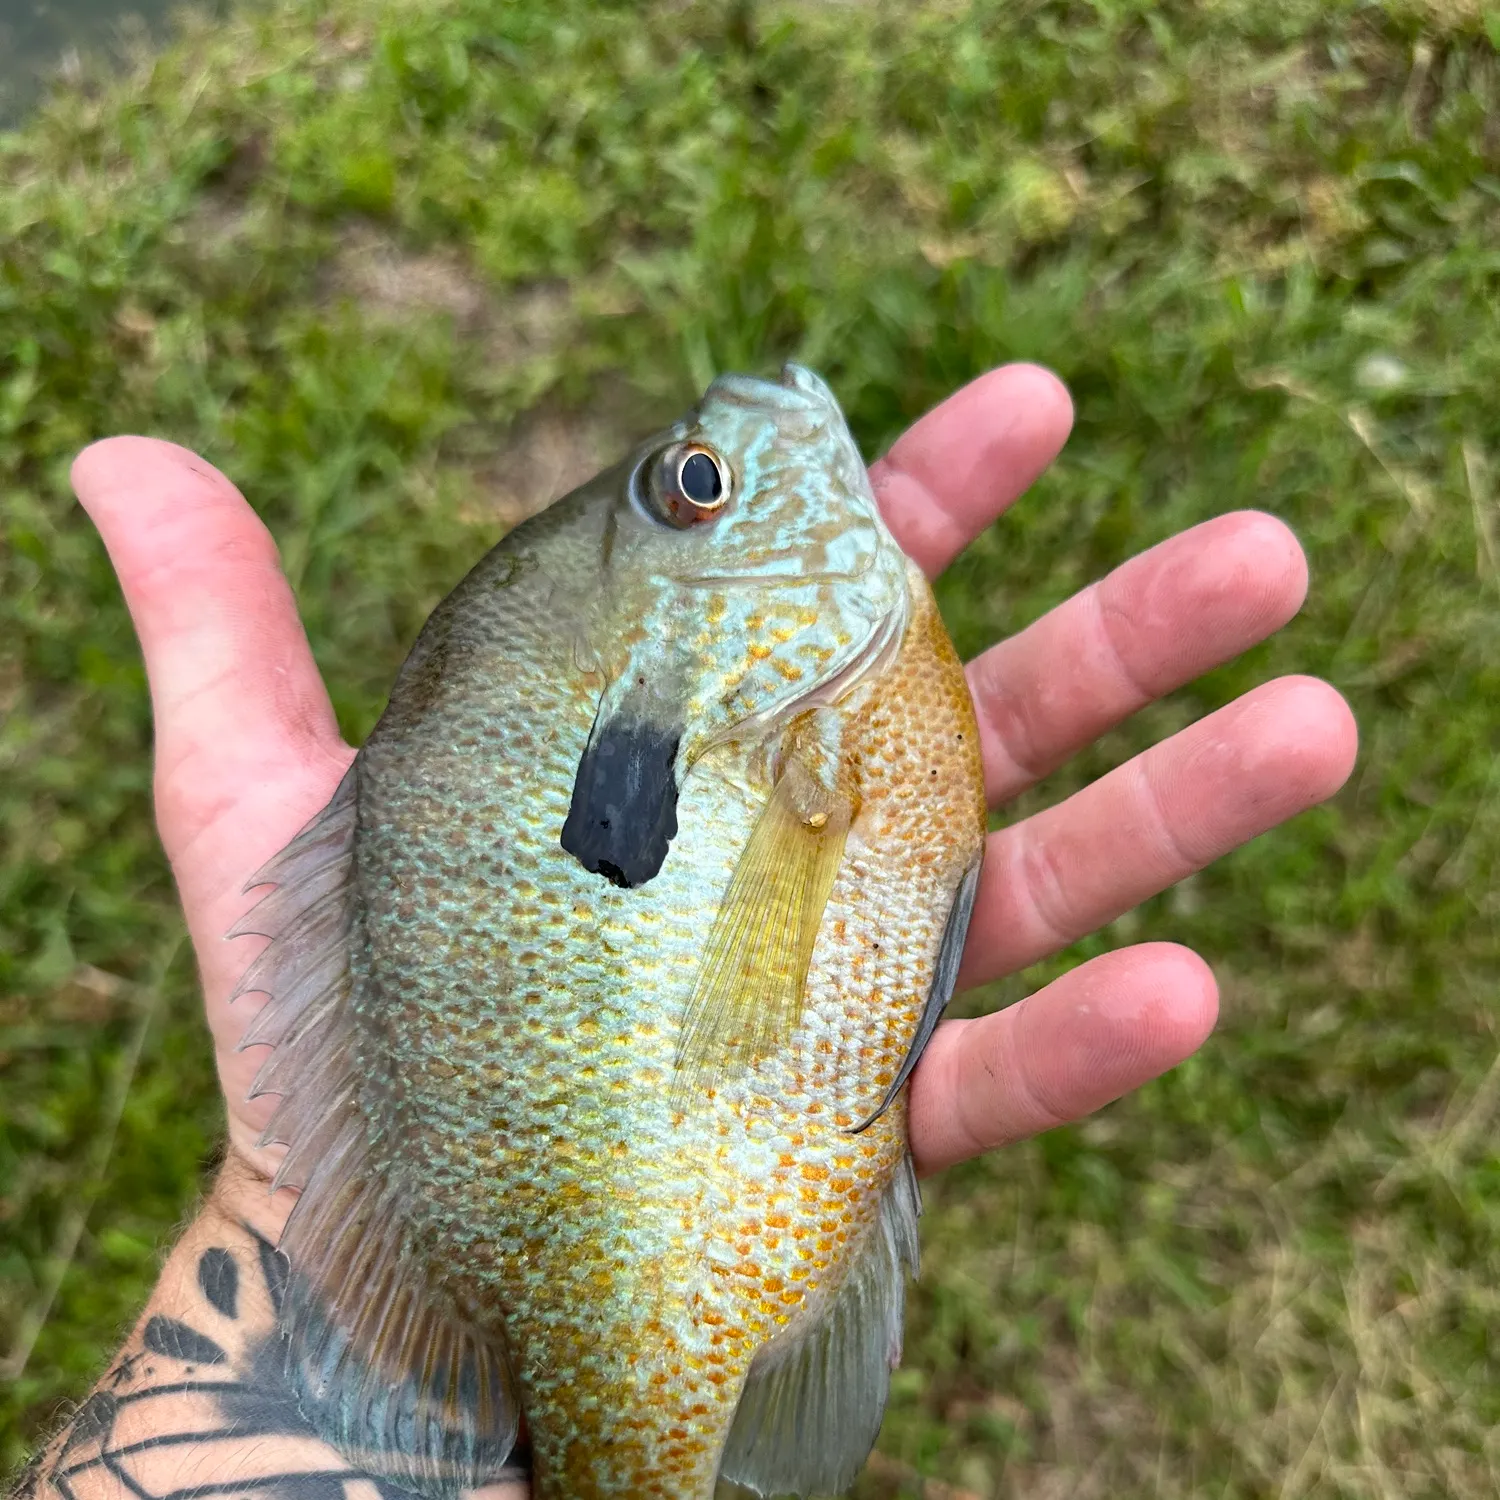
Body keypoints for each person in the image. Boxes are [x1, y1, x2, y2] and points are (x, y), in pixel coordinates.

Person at [14, 364, 1357, 1500]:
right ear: (663, 642)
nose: (733, 441)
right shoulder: (814, 720)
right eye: (696, 491)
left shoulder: (800, 717)